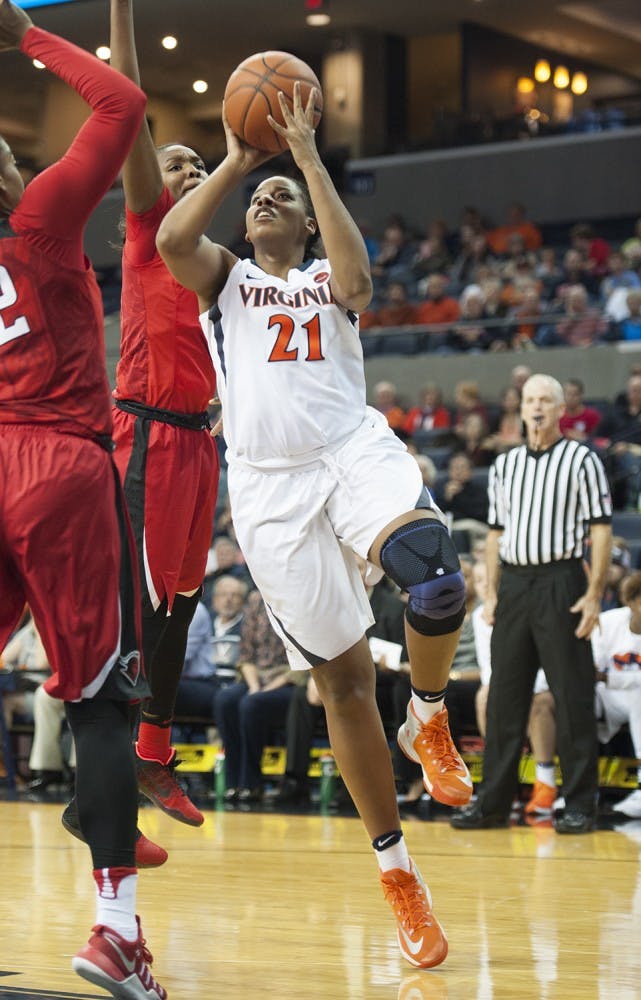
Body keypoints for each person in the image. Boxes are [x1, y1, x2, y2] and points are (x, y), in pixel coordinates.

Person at [157, 81, 472, 969]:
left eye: (280, 200)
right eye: (259, 199)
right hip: (268, 491)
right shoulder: (228, 279)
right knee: (339, 682)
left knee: (434, 574)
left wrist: (302, 160)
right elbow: (174, 238)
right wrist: (236, 158)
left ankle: (431, 714)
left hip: (348, 450)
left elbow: (364, 279)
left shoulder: (330, 278)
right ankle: (398, 871)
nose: (265, 202)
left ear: (302, 222)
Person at [0, 2, 165, 996]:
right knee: (103, 700)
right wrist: (25, 34)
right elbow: (124, 100)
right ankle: (115, 931)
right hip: (59, 467)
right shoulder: (40, 219)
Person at [108, 0, 219, 829]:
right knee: (139, 613)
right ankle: (105, 788)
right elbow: (129, 103)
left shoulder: (218, 263)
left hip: (198, 443)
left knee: (179, 609)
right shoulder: (148, 226)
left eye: (194, 164)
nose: (182, 170)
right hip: (143, 432)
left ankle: (151, 758)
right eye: (171, 161)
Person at [451, 374, 612, 835]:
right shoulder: (505, 466)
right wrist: (493, 592)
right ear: (519, 410)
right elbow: (495, 535)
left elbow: (600, 528)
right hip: (516, 584)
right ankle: (493, 803)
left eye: (545, 399)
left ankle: (580, 802)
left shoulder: (582, 460)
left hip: (562, 579)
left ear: (561, 409)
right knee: (503, 698)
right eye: (530, 400)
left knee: (572, 694)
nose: (537, 407)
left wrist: (594, 593)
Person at [593, 571, 641, 819]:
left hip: (633, 699)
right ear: (630, 601)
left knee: (639, 697)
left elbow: (604, 674)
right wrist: (605, 678)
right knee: (575, 697)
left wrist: (609, 677)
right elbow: (591, 671)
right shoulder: (608, 622)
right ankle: (578, 791)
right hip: (606, 697)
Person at [173, 575, 248, 721]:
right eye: (223, 595)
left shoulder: (247, 627)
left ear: (243, 601)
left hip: (232, 686)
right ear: (214, 600)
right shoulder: (208, 624)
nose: (228, 600)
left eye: (235, 595)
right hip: (209, 685)